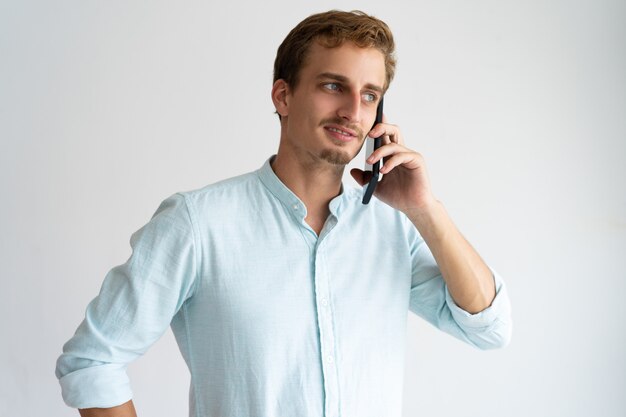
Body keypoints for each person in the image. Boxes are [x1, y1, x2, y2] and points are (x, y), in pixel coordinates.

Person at [56, 9, 512, 417]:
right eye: (334, 86)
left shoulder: (393, 227)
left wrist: (425, 209)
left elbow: (489, 328)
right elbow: (93, 359)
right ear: (283, 96)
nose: (353, 111)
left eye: (370, 95)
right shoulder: (198, 224)